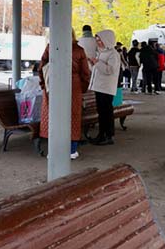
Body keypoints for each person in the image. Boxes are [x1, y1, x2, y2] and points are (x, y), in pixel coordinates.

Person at [38, 30, 91, 159]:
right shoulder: (79, 50)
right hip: (73, 86)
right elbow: (85, 73)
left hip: (54, 85)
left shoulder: (51, 47)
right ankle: (72, 150)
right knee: (72, 116)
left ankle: (54, 150)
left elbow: (41, 67)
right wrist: (82, 88)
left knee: (54, 116)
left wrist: (44, 85)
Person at [88, 29, 121, 145]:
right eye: (97, 40)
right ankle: (103, 134)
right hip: (99, 87)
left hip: (106, 88)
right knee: (102, 112)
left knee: (106, 112)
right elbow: (98, 70)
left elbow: (109, 70)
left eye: (100, 40)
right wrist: (94, 64)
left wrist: (97, 63)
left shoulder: (113, 54)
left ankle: (107, 135)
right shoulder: (101, 52)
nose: (98, 42)